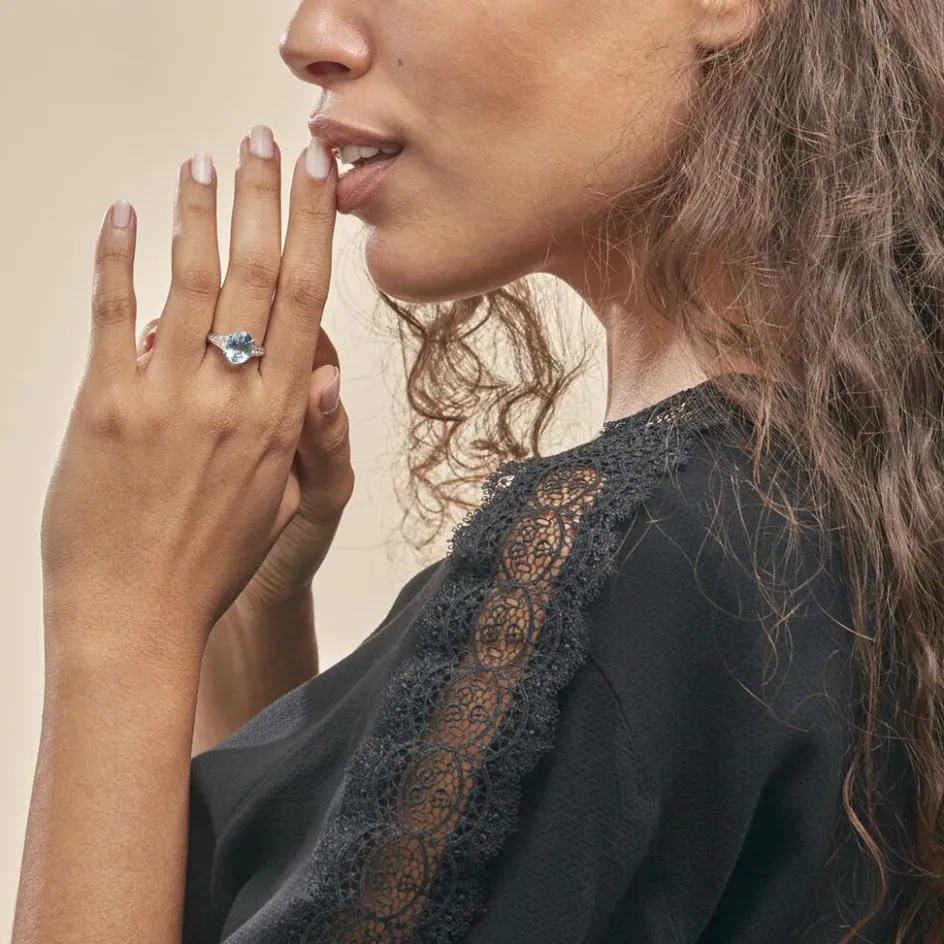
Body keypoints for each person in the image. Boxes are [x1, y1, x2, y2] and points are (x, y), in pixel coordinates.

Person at [11, 0, 944, 940]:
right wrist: (246, 607)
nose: (310, 37)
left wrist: (114, 613)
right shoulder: (842, 513)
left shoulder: (623, 561)